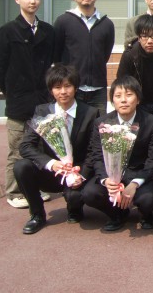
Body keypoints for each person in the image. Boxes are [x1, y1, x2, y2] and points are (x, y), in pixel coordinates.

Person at [14, 64, 99, 234]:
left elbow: (94, 150)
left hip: (77, 172)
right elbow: (25, 146)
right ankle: (37, 214)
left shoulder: (90, 113)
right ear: (51, 90)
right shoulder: (42, 111)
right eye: (58, 87)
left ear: (76, 88)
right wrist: (51, 163)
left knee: (75, 197)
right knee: (21, 167)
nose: (63, 92)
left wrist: (81, 174)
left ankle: (75, 207)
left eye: (68, 86)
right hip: (52, 173)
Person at [0, 0, 55, 209]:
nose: (33, 1)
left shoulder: (47, 31)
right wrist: (12, 92)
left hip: (42, 102)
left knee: (41, 147)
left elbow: (52, 64)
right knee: (17, 149)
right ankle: (15, 192)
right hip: (19, 102)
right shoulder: (8, 31)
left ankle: (37, 186)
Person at [82, 76, 153, 232]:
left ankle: (145, 214)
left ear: (138, 99)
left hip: (138, 173)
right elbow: (96, 156)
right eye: (118, 96)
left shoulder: (151, 122)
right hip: (111, 174)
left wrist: (135, 184)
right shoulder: (102, 123)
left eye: (129, 95)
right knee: (89, 194)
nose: (123, 100)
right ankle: (116, 214)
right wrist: (106, 180)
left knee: (148, 199)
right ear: (112, 100)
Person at [53, 0, 115, 114]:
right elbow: (56, 54)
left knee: (99, 125)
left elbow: (105, 54)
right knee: (70, 126)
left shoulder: (107, 24)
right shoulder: (63, 21)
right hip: (71, 88)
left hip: (98, 89)